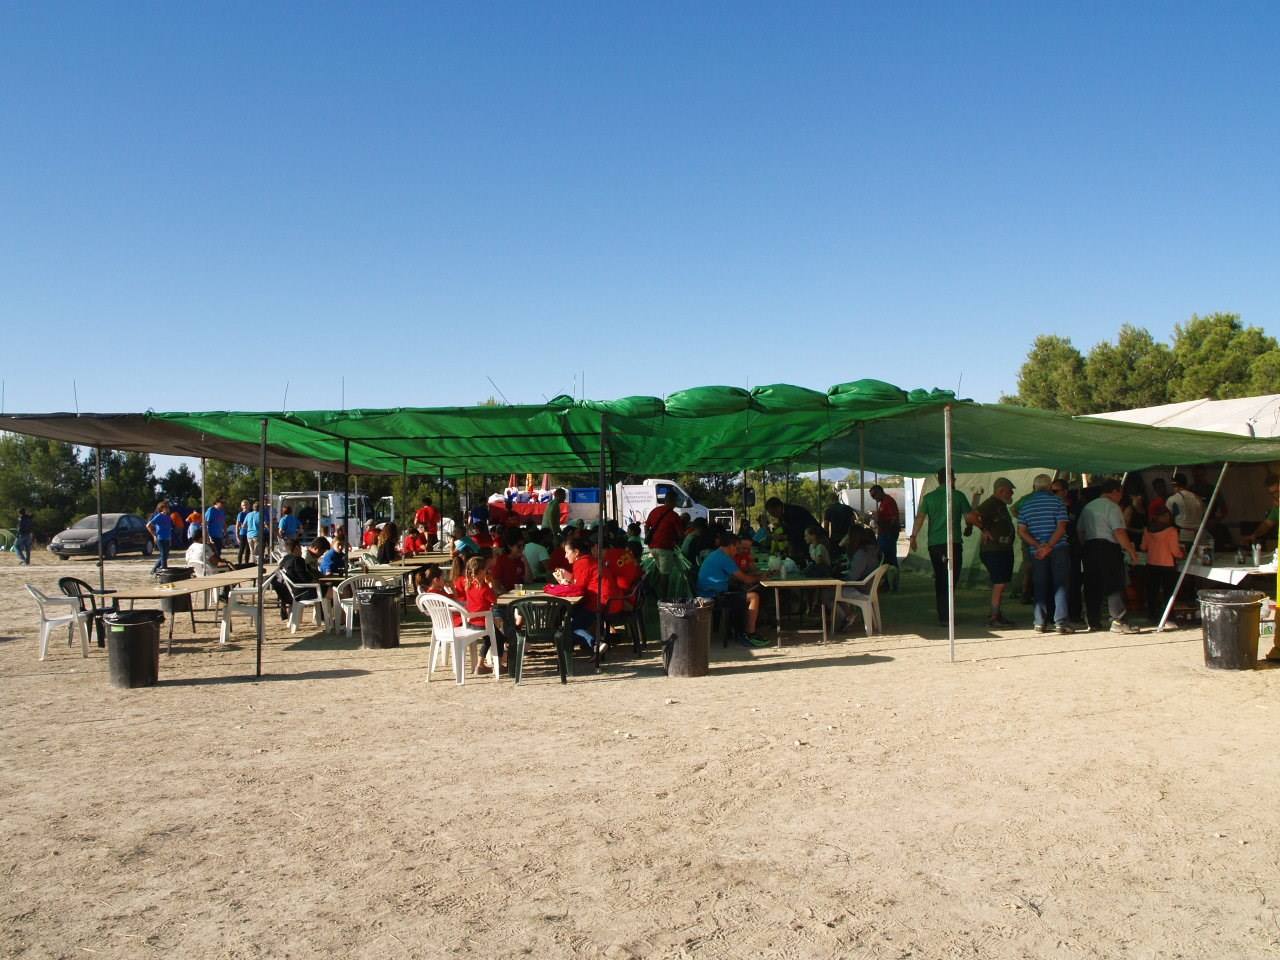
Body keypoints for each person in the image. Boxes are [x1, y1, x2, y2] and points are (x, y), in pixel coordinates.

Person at [907, 470, 971, 626]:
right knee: (952, 578)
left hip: (935, 544)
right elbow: (969, 517)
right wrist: (977, 526)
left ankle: (943, 615)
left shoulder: (929, 498)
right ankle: (949, 613)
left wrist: (913, 536)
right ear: (952, 479)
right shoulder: (958, 496)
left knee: (940, 578)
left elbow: (919, 518)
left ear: (939, 480)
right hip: (953, 543)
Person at [1079, 478, 1140, 634]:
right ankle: (1118, 620)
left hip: (1089, 547)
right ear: (1115, 491)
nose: (1121, 496)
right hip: (1107, 547)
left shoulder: (1088, 507)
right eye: (1120, 493)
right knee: (1113, 583)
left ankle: (1093, 621)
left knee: (1092, 584)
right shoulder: (1112, 507)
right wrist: (1130, 550)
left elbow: (1080, 531)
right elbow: (1118, 531)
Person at [1016, 475, 1072, 634]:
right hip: (1058, 548)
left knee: (1040, 584)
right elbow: (1061, 528)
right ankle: (1061, 623)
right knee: (1060, 584)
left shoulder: (1025, 505)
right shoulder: (1058, 502)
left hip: (1037, 552)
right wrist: (1050, 546)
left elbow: (1022, 531)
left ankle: (1039, 622)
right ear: (1049, 487)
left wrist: (1038, 545)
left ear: (1034, 487)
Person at [696, 528, 766, 647]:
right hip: (714, 596)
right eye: (737, 547)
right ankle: (750, 633)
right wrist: (761, 577)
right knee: (754, 597)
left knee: (745, 592)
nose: (737, 551)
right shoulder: (725, 558)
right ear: (731, 545)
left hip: (707, 592)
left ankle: (739, 629)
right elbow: (746, 579)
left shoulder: (715, 554)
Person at [546, 535, 604, 654]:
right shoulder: (587, 560)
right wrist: (567, 578)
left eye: (567, 552)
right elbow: (580, 583)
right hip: (597, 600)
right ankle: (587, 644)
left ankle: (595, 644)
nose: (565, 556)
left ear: (576, 552)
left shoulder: (582, 563)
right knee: (568, 618)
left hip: (594, 603)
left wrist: (563, 584)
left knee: (567, 629)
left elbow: (579, 589)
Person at [973, 477, 1018, 627]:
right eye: (1009, 492)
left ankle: (997, 613)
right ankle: (994, 617)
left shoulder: (1000, 504)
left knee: (1002, 583)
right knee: (999, 583)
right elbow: (972, 516)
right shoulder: (990, 503)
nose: (1011, 495)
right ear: (1001, 491)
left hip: (1002, 549)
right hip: (994, 550)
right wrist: (984, 530)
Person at [1141, 508, 1184, 627]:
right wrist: (1182, 554)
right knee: (1169, 593)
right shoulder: (1171, 531)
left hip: (1151, 563)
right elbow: (1175, 551)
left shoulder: (1147, 529)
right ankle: (1169, 618)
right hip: (1167, 564)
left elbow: (1143, 547)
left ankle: (1152, 616)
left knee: (1152, 592)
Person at [644, 490, 686, 582]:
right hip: (664, 548)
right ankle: (663, 596)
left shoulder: (655, 511)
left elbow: (646, 526)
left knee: (660, 571)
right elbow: (680, 534)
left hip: (652, 547)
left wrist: (648, 537)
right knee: (664, 575)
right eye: (676, 501)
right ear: (673, 501)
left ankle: (656, 593)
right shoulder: (673, 515)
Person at [273, 539, 319, 621]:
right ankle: (324, 618)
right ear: (297, 548)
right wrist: (317, 581)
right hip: (300, 593)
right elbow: (305, 579)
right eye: (300, 548)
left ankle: (293, 619)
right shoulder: (297, 560)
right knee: (332, 592)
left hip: (286, 593)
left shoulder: (283, 561)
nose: (301, 550)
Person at [867, 485, 901, 587]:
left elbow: (894, 518)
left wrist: (888, 530)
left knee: (889, 559)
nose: (873, 498)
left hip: (888, 535)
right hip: (884, 533)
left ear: (880, 492)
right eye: (872, 496)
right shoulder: (882, 503)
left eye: (874, 495)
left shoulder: (888, 501)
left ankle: (893, 584)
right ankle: (887, 582)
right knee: (884, 559)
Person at [1241, 475, 1280, 549]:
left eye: (1277, 491)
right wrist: (1254, 535)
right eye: (1272, 493)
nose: (1275, 495)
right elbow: (1267, 524)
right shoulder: (1276, 508)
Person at [1165, 473, 1204, 546]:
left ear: (1174, 484)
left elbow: (1167, 519)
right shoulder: (1198, 498)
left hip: (1181, 536)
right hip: (1198, 536)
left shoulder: (1172, 499)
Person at [147, 499, 173, 574]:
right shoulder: (159, 516)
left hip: (167, 538)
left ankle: (154, 570)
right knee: (163, 554)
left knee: (165, 555)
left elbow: (169, 528)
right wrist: (154, 535)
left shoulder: (168, 517)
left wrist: (170, 538)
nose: (168, 509)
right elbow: (148, 525)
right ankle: (164, 570)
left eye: (168, 507)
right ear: (161, 508)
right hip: (160, 538)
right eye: (166, 507)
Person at [235, 499, 252, 565]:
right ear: (241, 506)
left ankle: (246, 563)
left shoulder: (250, 513)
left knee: (248, 550)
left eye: (246, 505)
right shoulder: (241, 514)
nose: (245, 506)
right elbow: (238, 524)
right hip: (243, 533)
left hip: (249, 534)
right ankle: (239, 563)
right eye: (243, 505)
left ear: (248, 506)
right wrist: (237, 535)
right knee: (241, 549)